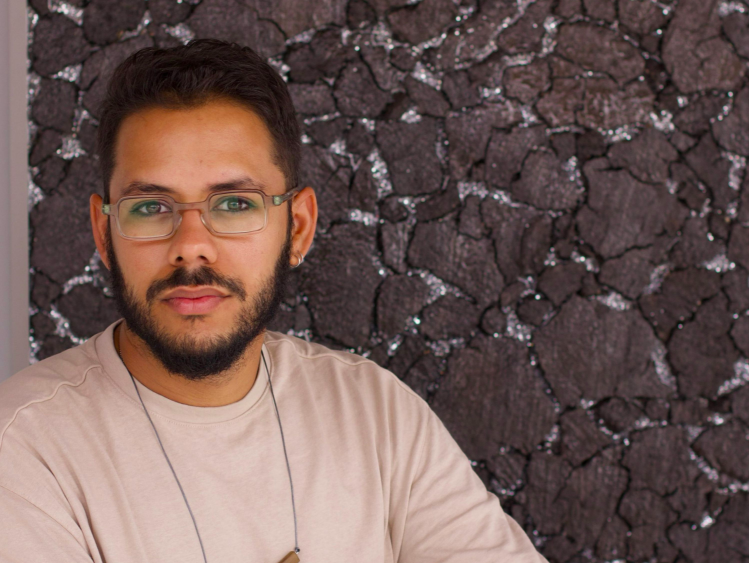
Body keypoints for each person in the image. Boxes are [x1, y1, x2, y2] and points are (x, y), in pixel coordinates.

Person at [0, 40, 546, 563]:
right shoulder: (23, 447)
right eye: (150, 208)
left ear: (298, 227)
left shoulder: (376, 413)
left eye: (235, 203)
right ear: (104, 234)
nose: (191, 245)